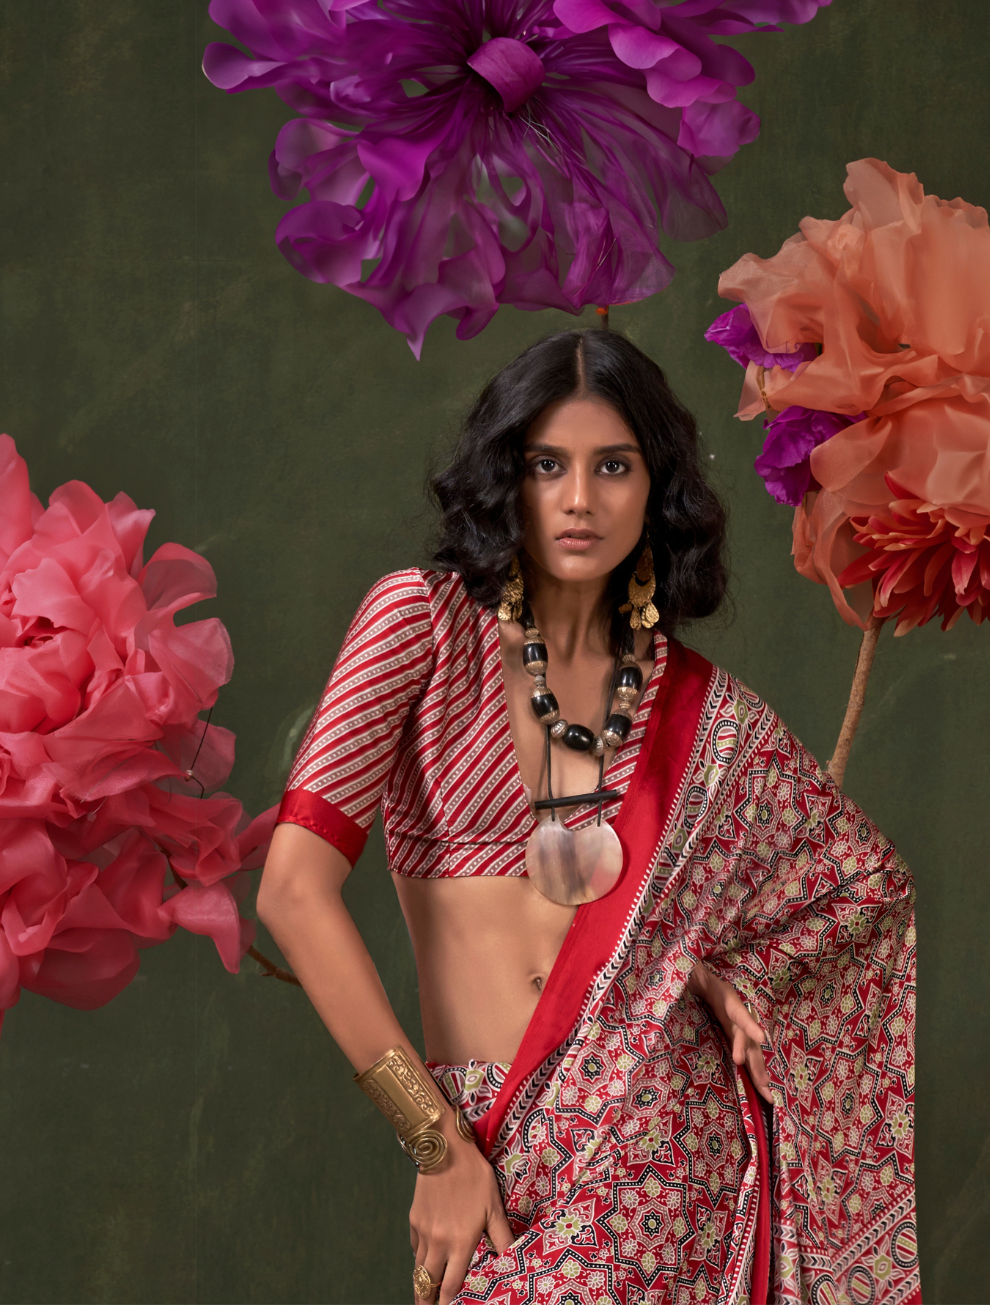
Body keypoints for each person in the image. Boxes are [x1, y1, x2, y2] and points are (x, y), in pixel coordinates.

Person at [258, 329, 918, 1305]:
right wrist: (434, 1141)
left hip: (676, 1164)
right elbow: (291, 892)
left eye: (613, 466)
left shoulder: (701, 707)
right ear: (506, 478)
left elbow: (861, 894)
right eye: (547, 466)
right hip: (495, 1149)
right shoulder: (422, 624)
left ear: (656, 487)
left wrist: (711, 963)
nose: (578, 499)